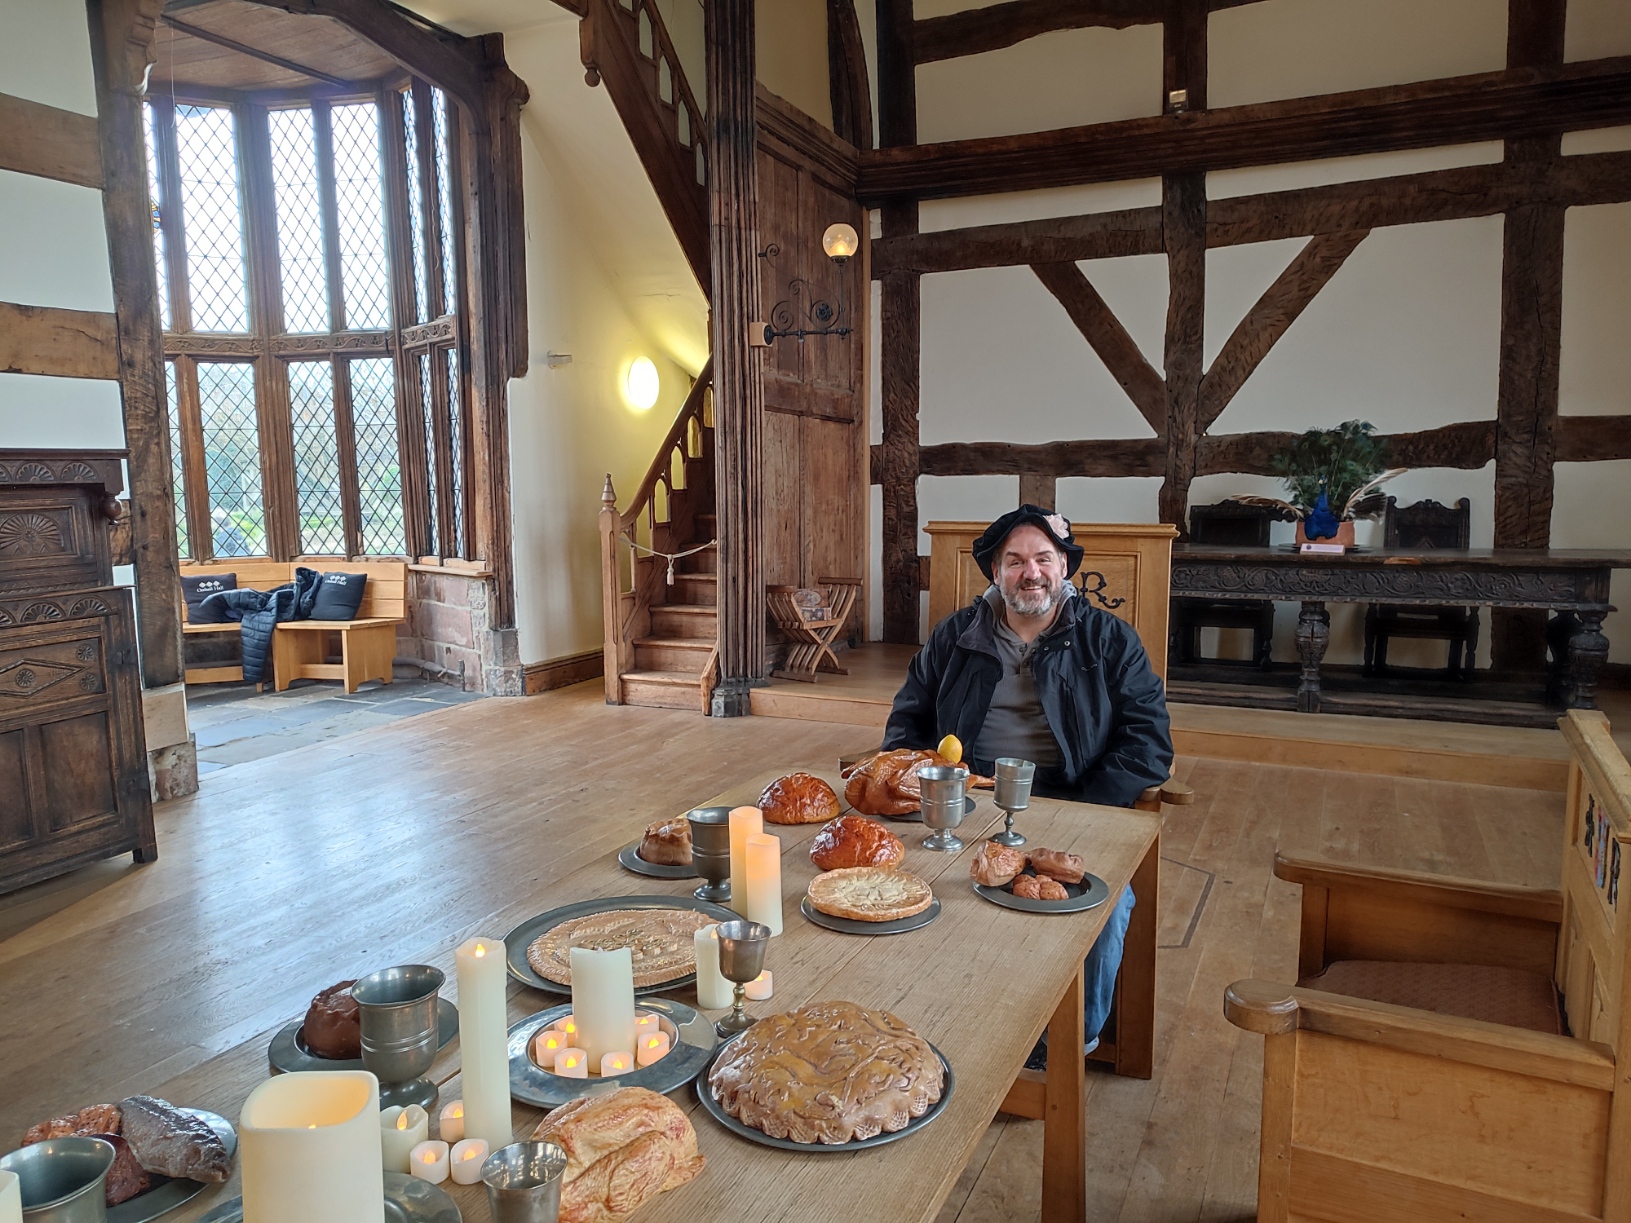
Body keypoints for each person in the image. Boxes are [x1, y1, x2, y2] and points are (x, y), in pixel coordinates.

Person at [882, 505, 1173, 1059]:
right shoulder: (955, 637)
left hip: (1075, 796)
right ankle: (934, 1024)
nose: (1030, 573)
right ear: (996, 573)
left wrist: (1083, 809)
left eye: (1043, 559)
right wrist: (922, 784)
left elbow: (1149, 743)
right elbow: (906, 724)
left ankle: (1063, 1047)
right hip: (969, 801)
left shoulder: (1108, 640)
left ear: (1064, 567)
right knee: (909, 881)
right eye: (1014, 561)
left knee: (1106, 904)